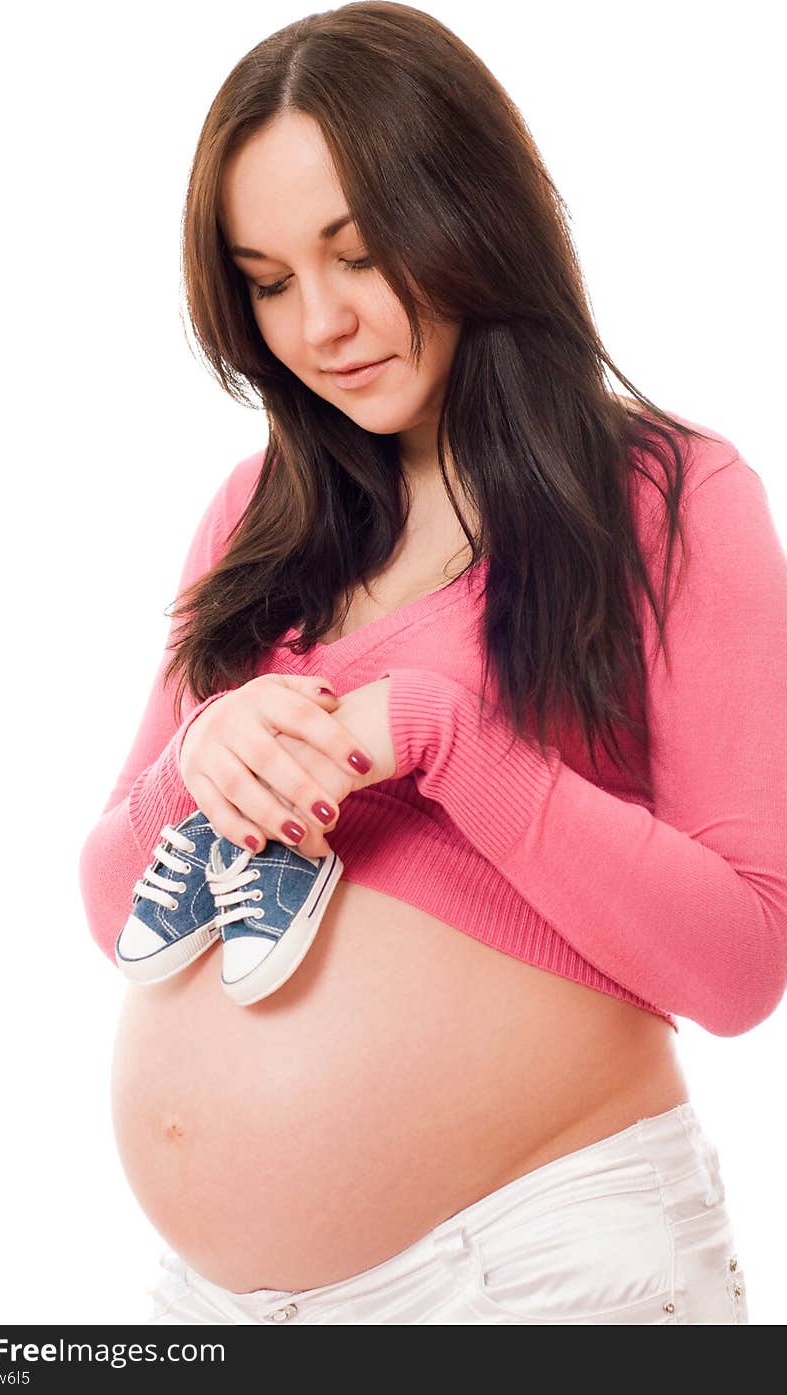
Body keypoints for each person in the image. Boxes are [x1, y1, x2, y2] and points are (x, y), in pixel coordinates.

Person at [77, 1, 787, 1324]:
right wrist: (193, 764)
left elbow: (746, 960)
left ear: (472, 215)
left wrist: (453, 739)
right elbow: (112, 904)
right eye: (270, 281)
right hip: (224, 1309)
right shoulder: (255, 516)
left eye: (359, 254)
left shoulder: (671, 498)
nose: (322, 325)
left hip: (539, 1270)